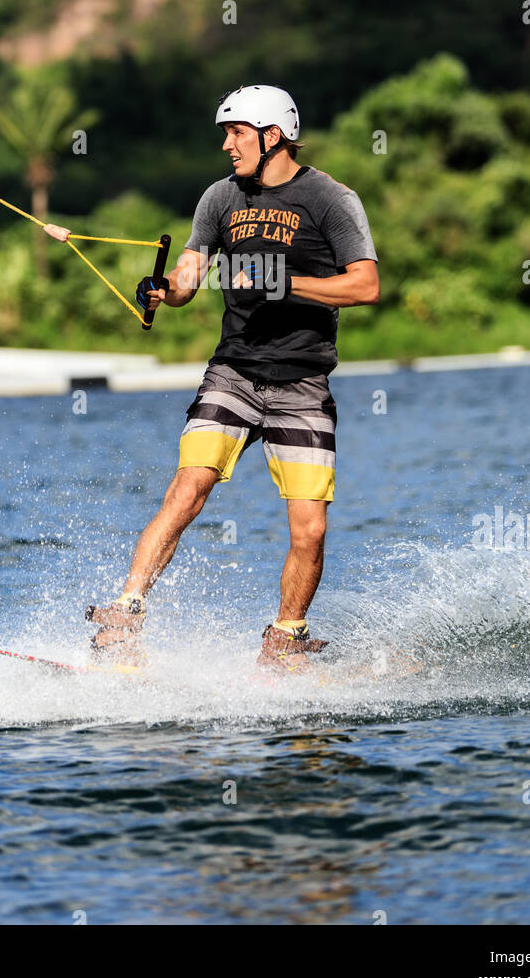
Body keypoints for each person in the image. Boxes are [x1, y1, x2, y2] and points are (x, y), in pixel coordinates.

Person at [67, 85, 379, 669]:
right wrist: (167, 290)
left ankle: (285, 640)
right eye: (225, 135)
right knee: (188, 490)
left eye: (236, 134)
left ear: (272, 136)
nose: (227, 146)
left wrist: (286, 284)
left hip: (303, 385)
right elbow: (189, 277)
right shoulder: (219, 198)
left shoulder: (331, 199)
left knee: (309, 530)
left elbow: (365, 285)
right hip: (233, 373)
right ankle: (126, 612)